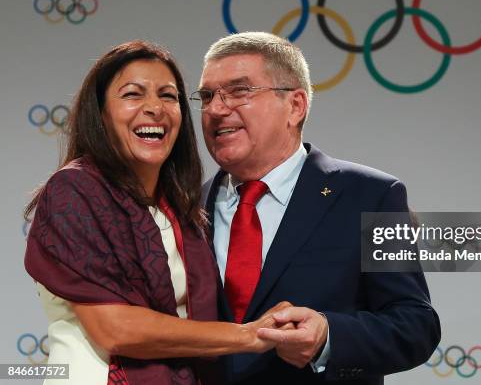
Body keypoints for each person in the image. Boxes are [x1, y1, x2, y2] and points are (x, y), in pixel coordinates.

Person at [24, 40, 289, 385]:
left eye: (168, 96)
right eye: (133, 95)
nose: (155, 108)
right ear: (101, 113)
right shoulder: (74, 191)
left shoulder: (183, 208)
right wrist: (249, 336)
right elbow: (115, 328)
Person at [195, 32, 441, 384]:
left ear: (295, 105)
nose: (217, 109)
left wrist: (329, 335)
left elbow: (415, 326)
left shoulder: (371, 196)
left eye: (240, 91)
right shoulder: (186, 209)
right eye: (207, 96)